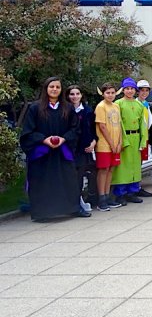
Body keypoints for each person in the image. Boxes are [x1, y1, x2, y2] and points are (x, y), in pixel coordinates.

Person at [20, 77, 90, 220]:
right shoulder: (35, 108)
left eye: (57, 87)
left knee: (68, 180)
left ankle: (73, 208)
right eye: (52, 86)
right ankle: (42, 213)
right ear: (46, 88)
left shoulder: (68, 108)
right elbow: (28, 132)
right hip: (42, 154)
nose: (54, 89)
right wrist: (44, 139)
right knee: (43, 182)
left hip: (62, 151)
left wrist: (63, 139)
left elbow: (75, 129)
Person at [112, 78, 148, 206]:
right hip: (124, 136)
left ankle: (132, 191)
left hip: (136, 136)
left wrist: (143, 139)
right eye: (127, 88)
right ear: (123, 90)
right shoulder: (118, 104)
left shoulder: (139, 105)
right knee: (122, 167)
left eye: (132, 89)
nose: (130, 91)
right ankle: (120, 193)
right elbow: (118, 123)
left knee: (135, 166)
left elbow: (142, 123)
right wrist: (122, 140)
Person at [94, 82, 123, 211]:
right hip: (104, 144)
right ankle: (101, 198)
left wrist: (119, 142)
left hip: (115, 144)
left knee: (111, 169)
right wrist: (111, 143)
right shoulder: (101, 107)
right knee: (103, 170)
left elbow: (120, 125)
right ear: (103, 93)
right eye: (107, 93)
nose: (110, 95)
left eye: (112, 92)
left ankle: (107, 195)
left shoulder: (116, 106)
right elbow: (102, 126)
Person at [67, 85, 96, 210]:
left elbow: (94, 130)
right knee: (72, 176)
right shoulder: (65, 111)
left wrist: (94, 143)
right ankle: (72, 202)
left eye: (77, 94)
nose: (75, 97)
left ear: (81, 95)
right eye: (72, 94)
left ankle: (82, 200)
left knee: (82, 175)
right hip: (70, 149)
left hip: (85, 150)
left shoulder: (88, 111)